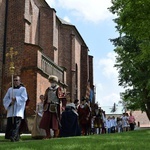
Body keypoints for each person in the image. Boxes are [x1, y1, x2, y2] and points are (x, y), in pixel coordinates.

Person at [3, 75, 28, 142]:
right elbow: (5, 99)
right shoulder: (10, 90)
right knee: (10, 123)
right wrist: (10, 102)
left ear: (19, 81)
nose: (15, 82)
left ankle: (13, 137)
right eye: (14, 80)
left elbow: (24, 98)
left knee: (16, 124)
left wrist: (16, 99)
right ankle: (13, 136)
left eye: (17, 80)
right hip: (11, 109)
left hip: (18, 109)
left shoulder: (23, 89)